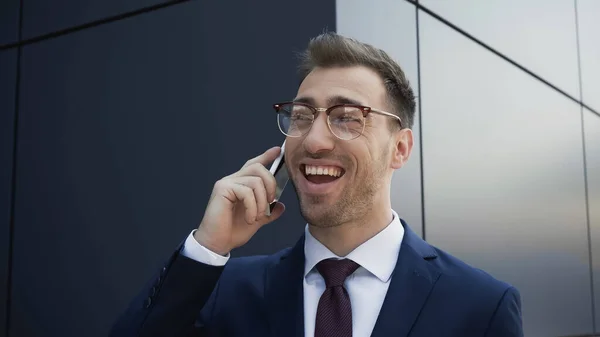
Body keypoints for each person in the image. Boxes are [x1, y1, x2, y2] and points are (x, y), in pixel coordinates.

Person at [110, 32, 523, 337]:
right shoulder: (225, 291)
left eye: (346, 116)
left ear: (400, 148)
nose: (314, 140)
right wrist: (207, 248)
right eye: (303, 116)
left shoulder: (481, 306)